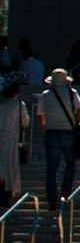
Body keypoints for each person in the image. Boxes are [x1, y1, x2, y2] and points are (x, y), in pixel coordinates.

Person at [37, 67, 80, 210]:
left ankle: (52, 200)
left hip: (51, 132)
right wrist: (76, 121)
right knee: (70, 163)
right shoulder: (72, 93)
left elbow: (39, 114)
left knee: (51, 168)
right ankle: (65, 192)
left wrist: (44, 125)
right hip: (68, 132)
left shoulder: (45, 95)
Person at [0, 79, 28, 209]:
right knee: (11, 169)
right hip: (12, 140)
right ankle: (8, 193)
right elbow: (25, 122)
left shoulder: (1, 104)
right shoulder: (19, 104)